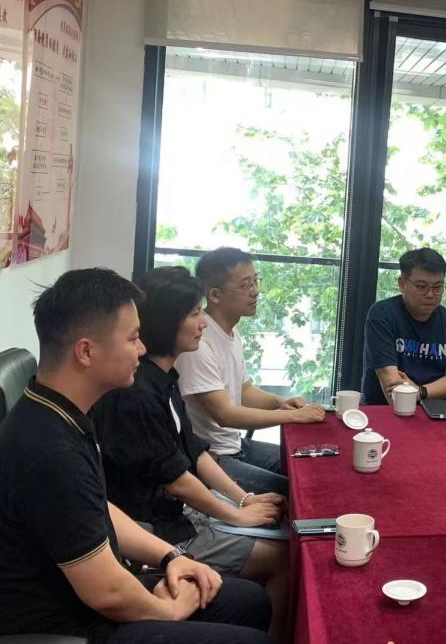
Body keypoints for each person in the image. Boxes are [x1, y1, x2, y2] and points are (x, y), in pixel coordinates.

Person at [0, 268, 273, 643]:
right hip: (69, 625)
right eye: (132, 339)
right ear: (86, 351)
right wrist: (170, 611)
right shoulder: (49, 451)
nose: (142, 349)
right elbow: (107, 593)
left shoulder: (62, 411)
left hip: (95, 595)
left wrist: (171, 557)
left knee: (250, 600)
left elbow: (99, 507)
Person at [90, 267, 291, 642]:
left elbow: (193, 452)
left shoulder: (164, 378)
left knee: (284, 522)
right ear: (168, 321)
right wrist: (237, 514)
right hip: (159, 525)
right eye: (195, 314)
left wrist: (243, 500)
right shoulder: (135, 392)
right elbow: (177, 480)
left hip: (178, 512)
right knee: (283, 556)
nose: (203, 324)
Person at [176, 247, 325, 496]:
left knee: (311, 465)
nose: (255, 291)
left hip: (236, 445)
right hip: (213, 458)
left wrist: (281, 402)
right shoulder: (199, 341)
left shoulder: (232, 333)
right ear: (215, 294)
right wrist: (293, 416)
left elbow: (244, 391)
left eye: (256, 281)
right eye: (245, 285)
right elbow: (225, 415)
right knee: (300, 491)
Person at [362, 247, 446, 405]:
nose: (430, 294)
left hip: (436, 408)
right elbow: (393, 389)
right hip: (385, 408)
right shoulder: (382, 314)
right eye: (421, 287)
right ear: (402, 284)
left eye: (437, 287)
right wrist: (410, 392)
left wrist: (420, 392)